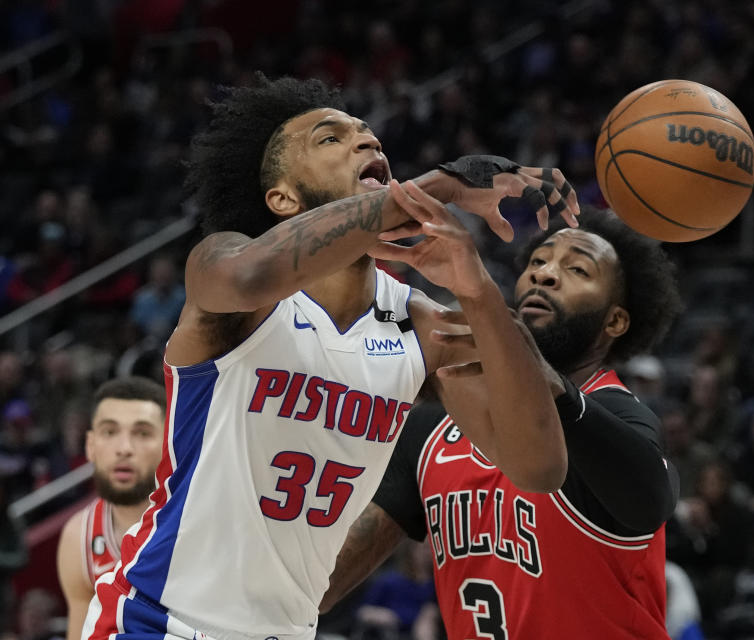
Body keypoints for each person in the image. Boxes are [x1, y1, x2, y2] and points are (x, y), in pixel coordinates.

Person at [82, 74, 579, 640]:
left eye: (369, 136)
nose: (368, 143)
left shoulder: (421, 325)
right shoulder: (227, 268)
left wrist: (478, 291)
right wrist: (437, 186)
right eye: (330, 139)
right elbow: (251, 275)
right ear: (283, 198)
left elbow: (539, 469)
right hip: (156, 620)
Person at [319, 208, 682, 639]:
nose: (545, 275)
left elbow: (650, 502)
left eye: (577, 268)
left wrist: (555, 391)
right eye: (538, 262)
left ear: (615, 321)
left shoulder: (617, 414)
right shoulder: (436, 426)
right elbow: (322, 584)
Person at [57, 376, 165, 640]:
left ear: (169, 443)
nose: (124, 449)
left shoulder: (200, 522)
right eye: (109, 431)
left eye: (142, 433)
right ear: (90, 446)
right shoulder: (78, 537)